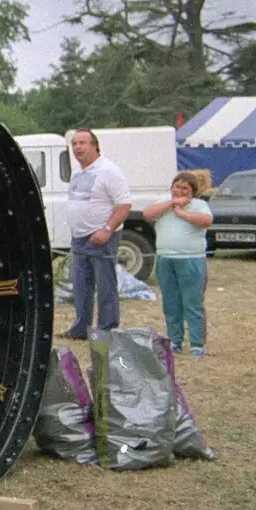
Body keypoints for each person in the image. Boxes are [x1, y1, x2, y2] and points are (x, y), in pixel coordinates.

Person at [62, 128, 133, 339]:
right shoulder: (77, 171)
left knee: (105, 285)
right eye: (74, 144)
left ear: (95, 146)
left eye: (82, 143)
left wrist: (107, 229)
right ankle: (81, 328)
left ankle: (107, 329)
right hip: (79, 238)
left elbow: (124, 205)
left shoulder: (109, 171)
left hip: (101, 236)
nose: (77, 148)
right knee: (81, 285)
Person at [144, 171, 213, 356]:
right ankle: (175, 340)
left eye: (185, 188)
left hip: (191, 259)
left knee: (192, 302)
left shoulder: (199, 205)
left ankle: (197, 343)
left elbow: (206, 221)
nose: (180, 191)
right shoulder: (164, 205)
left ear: (193, 192)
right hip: (166, 259)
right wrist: (172, 203)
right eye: (177, 186)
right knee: (171, 303)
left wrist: (182, 213)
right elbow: (148, 214)